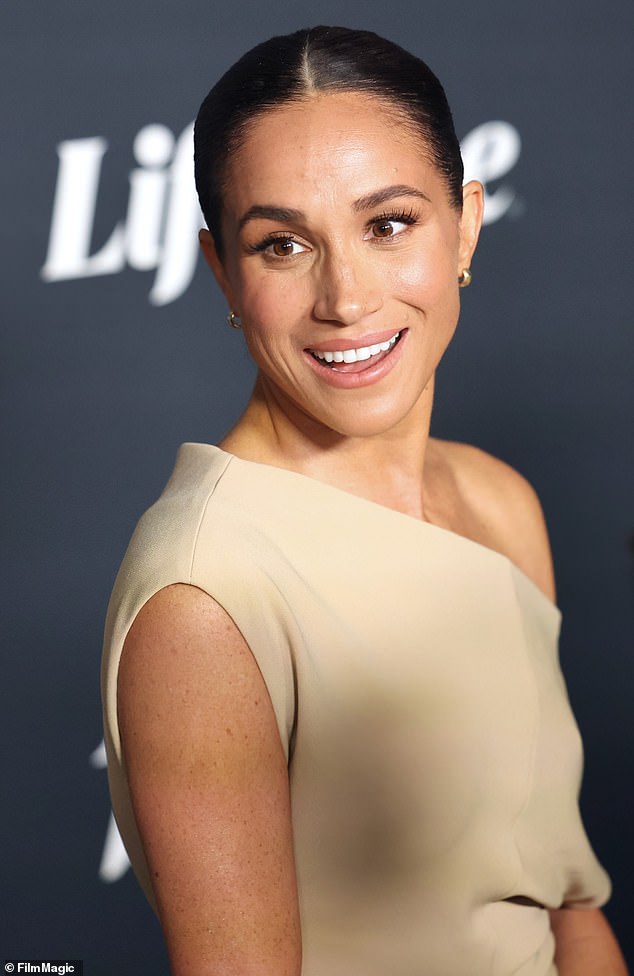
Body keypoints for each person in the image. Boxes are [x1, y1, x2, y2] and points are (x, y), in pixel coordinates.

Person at [101, 25, 627, 976]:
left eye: (389, 223)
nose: (344, 297)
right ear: (221, 270)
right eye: (282, 244)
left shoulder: (500, 502)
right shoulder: (205, 597)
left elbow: (564, 906)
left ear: (465, 223)